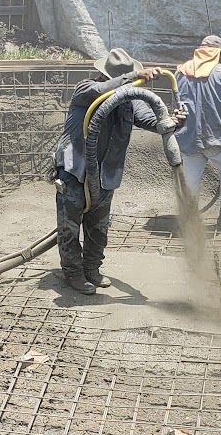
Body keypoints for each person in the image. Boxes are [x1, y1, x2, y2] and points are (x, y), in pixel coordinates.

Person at [53, 48, 183, 295]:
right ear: (103, 75)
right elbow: (103, 91)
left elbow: (151, 120)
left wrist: (172, 122)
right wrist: (134, 77)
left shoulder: (128, 103)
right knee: (70, 226)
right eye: (127, 79)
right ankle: (73, 273)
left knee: (98, 226)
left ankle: (91, 268)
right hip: (74, 170)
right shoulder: (85, 90)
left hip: (105, 175)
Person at [175, 35, 221, 229]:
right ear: (217, 54)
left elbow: (177, 105)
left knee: (190, 180)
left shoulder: (181, 72)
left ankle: (189, 220)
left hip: (188, 139)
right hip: (217, 138)